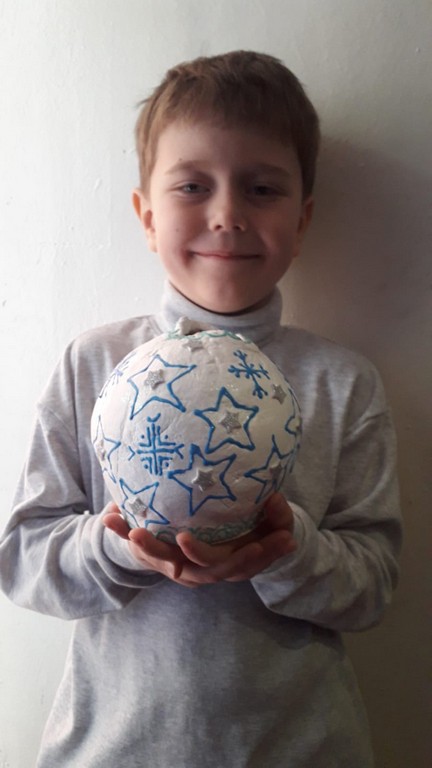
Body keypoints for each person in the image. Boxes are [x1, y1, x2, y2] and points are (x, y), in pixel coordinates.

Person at [0, 50, 401, 767]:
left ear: (302, 221)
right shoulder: (92, 365)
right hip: (115, 751)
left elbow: (372, 586)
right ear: (147, 216)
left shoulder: (343, 384)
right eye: (192, 186)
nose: (227, 216)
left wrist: (289, 549)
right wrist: (118, 547)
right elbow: (24, 560)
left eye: (262, 189)